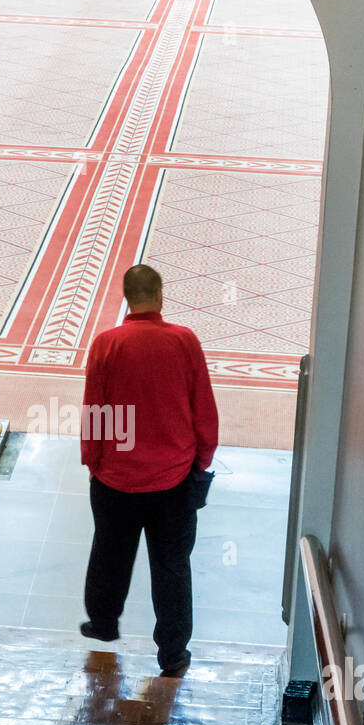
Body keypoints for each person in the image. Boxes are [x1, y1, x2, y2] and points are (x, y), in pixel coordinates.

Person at [79, 264, 218, 677]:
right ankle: (173, 653)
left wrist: (94, 461)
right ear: (159, 295)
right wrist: (202, 458)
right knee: (172, 566)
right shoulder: (184, 342)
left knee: (110, 553)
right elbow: (203, 407)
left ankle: (104, 623)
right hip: (174, 479)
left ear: (127, 298)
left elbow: (96, 409)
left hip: (116, 478)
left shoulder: (107, 344)